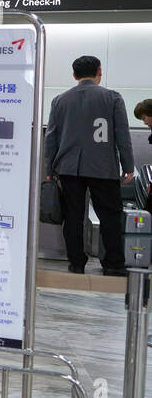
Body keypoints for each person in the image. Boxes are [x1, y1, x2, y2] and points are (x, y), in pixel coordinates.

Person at [44, 55, 135, 276]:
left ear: (74, 75)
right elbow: (122, 135)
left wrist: (49, 169)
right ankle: (113, 264)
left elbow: (51, 137)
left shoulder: (60, 100)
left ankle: (76, 263)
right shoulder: (113, 98)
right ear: (99, 72)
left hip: (68, 167)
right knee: (110, 216)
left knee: (73, 216)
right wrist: (128, 166)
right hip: (103, 167)